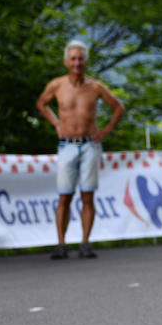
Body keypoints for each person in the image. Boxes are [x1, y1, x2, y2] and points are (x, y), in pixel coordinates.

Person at [37, 39, 125, 259]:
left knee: (88, 196)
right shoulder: (57, 85)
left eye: (80, 59)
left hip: (89, 145)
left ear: (86, 62)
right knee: (64, 196)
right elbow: (41, 103)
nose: (77, 63)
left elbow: (118, 107)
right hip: (67, 144)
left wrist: (105, 131)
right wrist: (56, 123)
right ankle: (61, 244)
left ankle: (85, 243)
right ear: (67, 62)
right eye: (73, 59)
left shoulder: (95, 87)